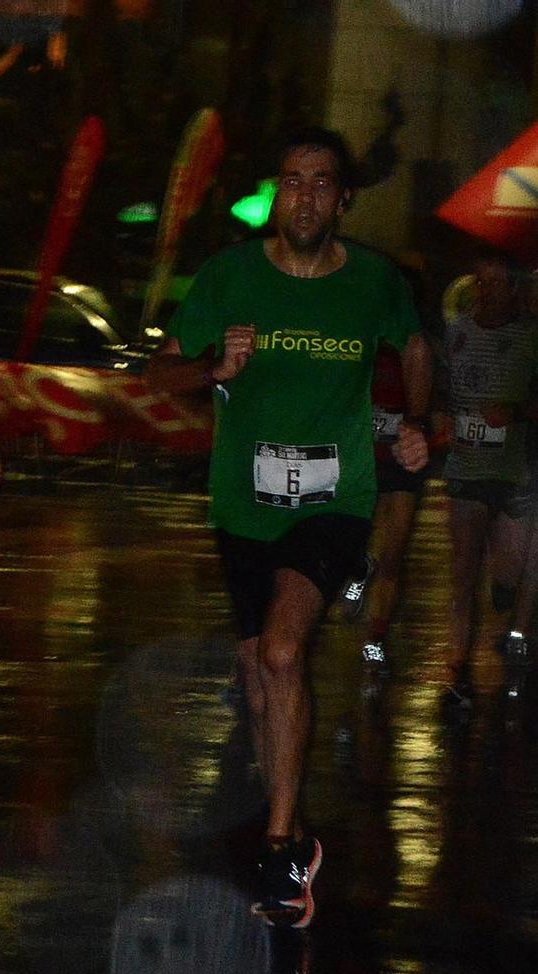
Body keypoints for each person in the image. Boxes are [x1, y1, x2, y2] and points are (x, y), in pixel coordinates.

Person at [150, 127, 429, 928]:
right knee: (258, 673)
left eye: (321, 183)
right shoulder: (229, 276)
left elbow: (413, 344)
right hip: (242, 506)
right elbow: (159, 373)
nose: (304, 196)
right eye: (292, 180)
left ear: (343, 199)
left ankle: (277, 851)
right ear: (277, 191)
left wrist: (416, 417)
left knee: (282, 649)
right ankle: (298, 833)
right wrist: (214, 370)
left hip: (336, 501)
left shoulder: (374, 281)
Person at [435, 248, 538, 710]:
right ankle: (456, 667)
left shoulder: (531, 338)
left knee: (508, 574)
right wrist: (438, 419)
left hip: (515, 475)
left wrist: (514, 413)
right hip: (467, 471)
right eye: (479, 282)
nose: (485, 292)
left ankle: (509, 594)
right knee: (463, 574)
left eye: (495, 284)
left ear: (515, 290)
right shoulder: (456, 334)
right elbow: (439, 390)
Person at [340, 345, 425, 686]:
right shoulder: (357, 334)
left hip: (401, 462)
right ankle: (360, 570)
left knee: (394, 553)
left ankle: (374, 642)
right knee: (349, 542)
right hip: (361, 460)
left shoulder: (416, 344)